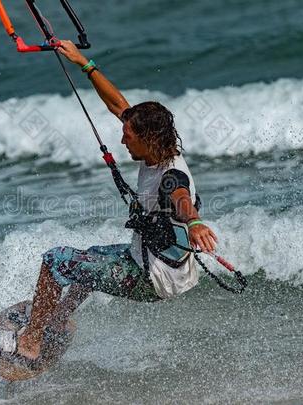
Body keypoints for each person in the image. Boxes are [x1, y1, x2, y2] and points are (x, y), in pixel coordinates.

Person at [16, 40, 218, 360]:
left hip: (151, 278)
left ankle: (31, 340)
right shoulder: (158, 150)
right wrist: (84, 63)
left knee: (57, 261)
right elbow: (117, 104)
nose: (122, 138)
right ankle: (58, 318)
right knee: (89, 258)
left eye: (128, 135)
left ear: (148, 138)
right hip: (156, 261)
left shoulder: (170, 176)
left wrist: (194, 222)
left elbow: (180, 197)